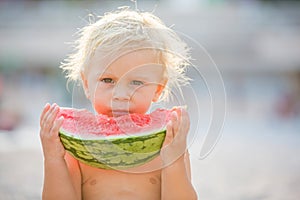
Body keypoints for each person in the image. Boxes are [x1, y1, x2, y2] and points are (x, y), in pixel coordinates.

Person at [40, 8, 197, 200]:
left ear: (158, 89)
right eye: (107, 80)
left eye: (137, 83)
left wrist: (174, 160)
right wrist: (53, 159)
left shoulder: (168, 143)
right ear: (87, 84)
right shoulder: (79, 146)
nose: (121, 95)